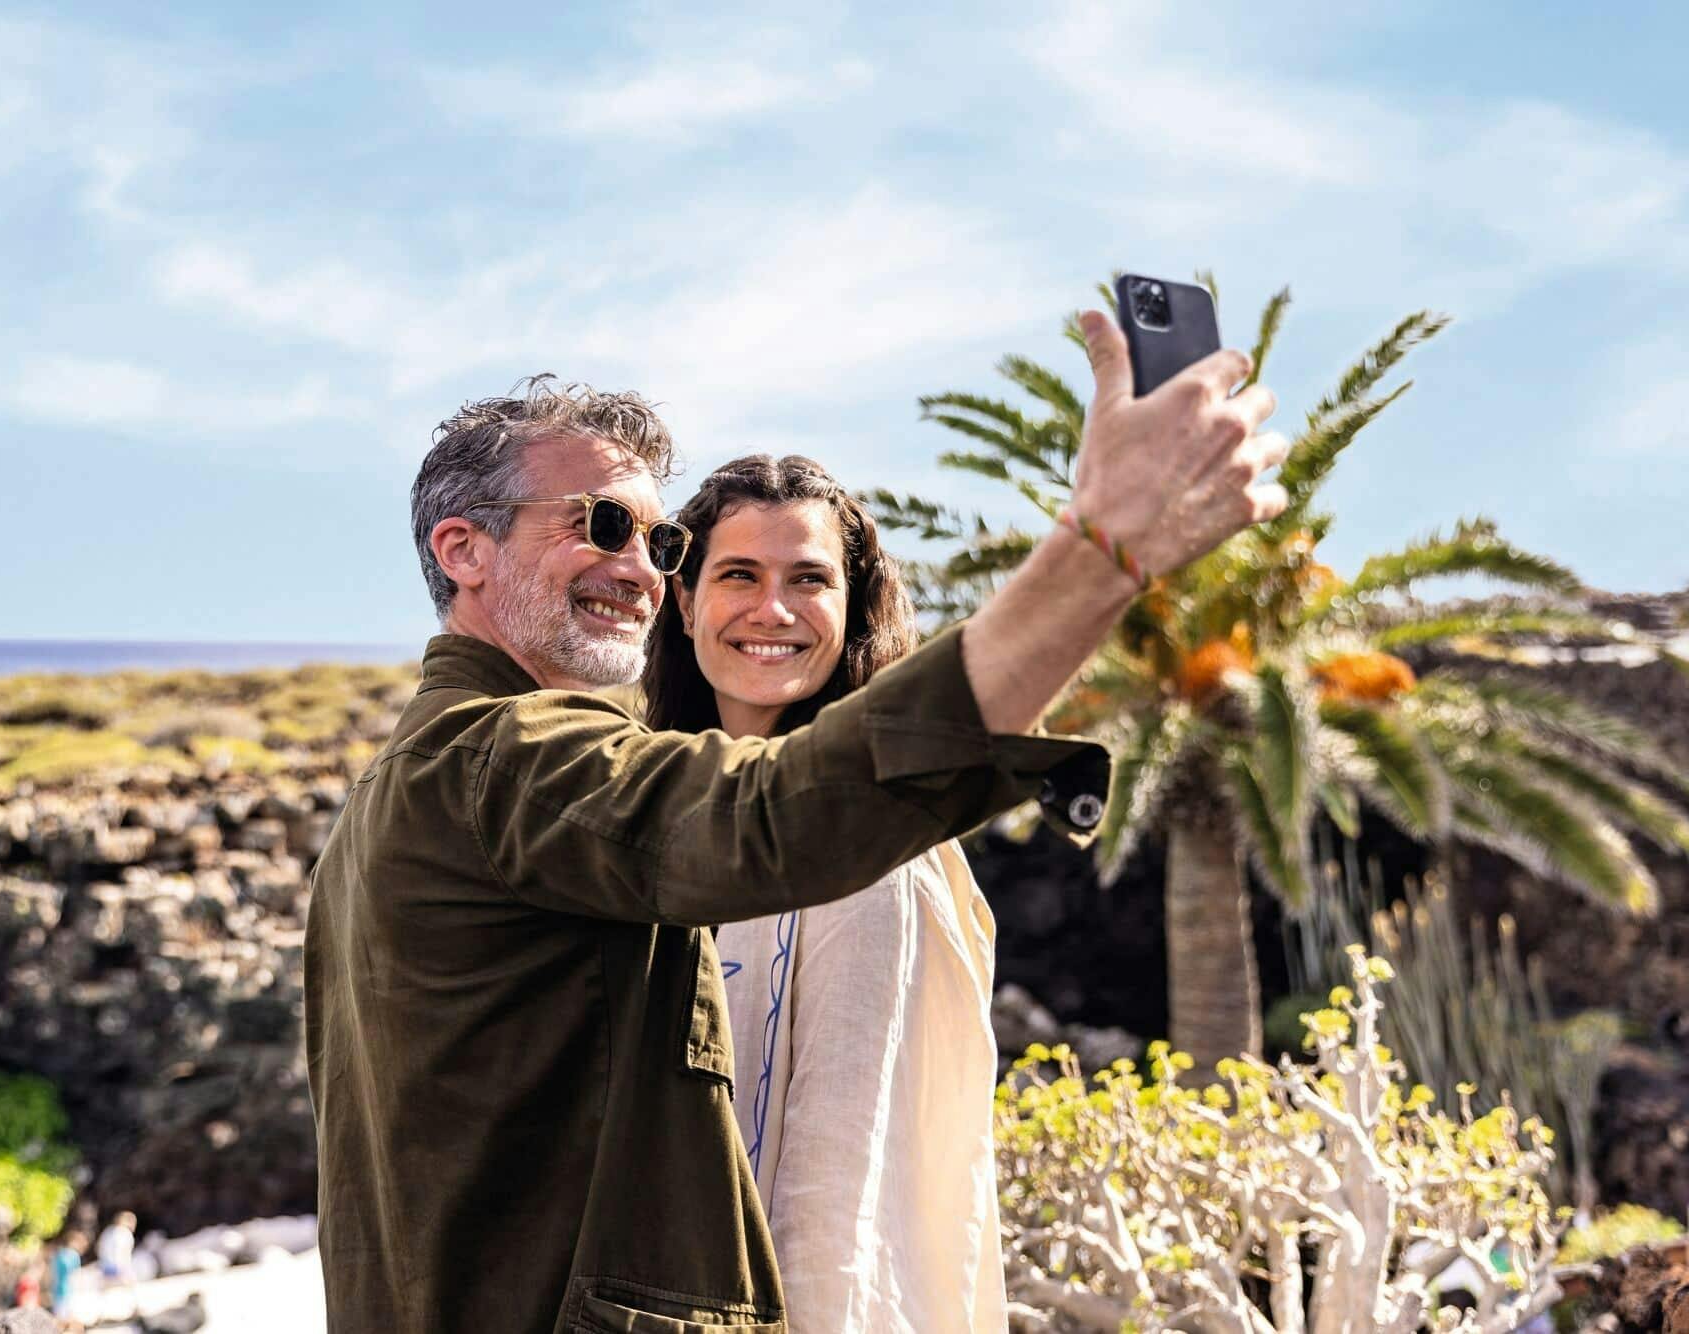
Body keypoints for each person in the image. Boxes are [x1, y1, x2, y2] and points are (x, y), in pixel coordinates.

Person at [304, 316, 1287, 1332]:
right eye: (600, 524)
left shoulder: (410, 780)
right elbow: (766, 817)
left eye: (661, 540)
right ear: (462, 548)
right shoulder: (497, 758)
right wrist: (1100, 553)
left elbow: (855, 1200)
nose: (642, 568)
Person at [644, 455, 1007, 1331]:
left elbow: (843, 1184)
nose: (773, 611)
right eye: (738, 575)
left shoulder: (871, 851)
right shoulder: (649, 810)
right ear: (685, 601)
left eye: (809, 579)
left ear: (850, 610)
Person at [48, 1231, 82, 1320]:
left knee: (60, 1316)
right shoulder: (73, 1255)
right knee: (67, 1316)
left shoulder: (59, 1254)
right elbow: (75, 1274)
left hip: (59, 1288)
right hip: (68, 1289)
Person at [97, 1211, 136, 1288]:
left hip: (104, 1265)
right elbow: (122, 1253)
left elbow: (99, 1247)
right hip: (117, 1267)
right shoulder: (124, 1233)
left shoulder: (108, 1231)